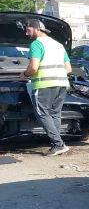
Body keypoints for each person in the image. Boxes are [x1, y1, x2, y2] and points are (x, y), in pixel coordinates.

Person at [21, 18, 72, 156]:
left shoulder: (36, 44)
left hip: (44, 84)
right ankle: (58, 144)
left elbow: (33, 67)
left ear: (37, 29)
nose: (26, 33)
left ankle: (58, 144)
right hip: (61, 83)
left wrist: (24, 75)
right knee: (55, 114)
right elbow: (68, 68)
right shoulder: (58, 45)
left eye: (28, 29)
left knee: (42, 113)